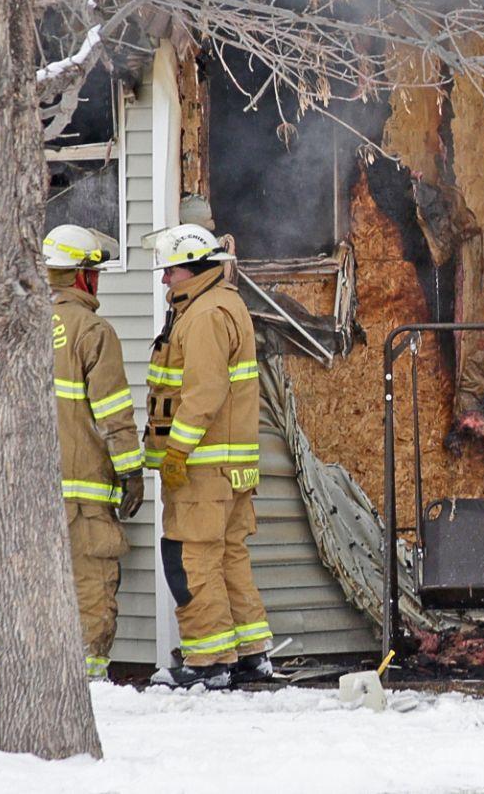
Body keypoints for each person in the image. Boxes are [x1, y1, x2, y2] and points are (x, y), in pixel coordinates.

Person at [0, 225, 141, 684]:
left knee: (17, 579)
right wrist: (131, 473)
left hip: (20, 489)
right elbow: (113, 414)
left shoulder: (16, 325)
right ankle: (86, 677)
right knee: (89, 584)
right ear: (82, 277)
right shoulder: (92, 330)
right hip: (80, 496)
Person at [143, 223, 273, 689]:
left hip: (201, 468)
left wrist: (175, 452)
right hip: (229, 470)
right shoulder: (226, 303)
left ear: (194, 268)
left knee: (191, 558)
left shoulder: (202, 316)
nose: (164, 281)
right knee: (228, 558)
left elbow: (203, 393)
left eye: (170, 272)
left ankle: (209, 660)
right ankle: (250, 654)